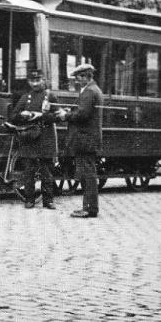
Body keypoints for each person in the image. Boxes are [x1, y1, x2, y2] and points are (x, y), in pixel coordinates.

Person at [56, 63, 103, 218]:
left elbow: (83, 114)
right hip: (88, 138)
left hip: (85, 139)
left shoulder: (89, 92)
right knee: (87, 173)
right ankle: (90, 207)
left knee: (87, 175)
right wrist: (72, 112)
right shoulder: (93, 90)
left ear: (86, 76)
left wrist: (66, 115)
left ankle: (89, 208)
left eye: (78, 77)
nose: (77, 80)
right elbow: (83, 111)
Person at [9, 68, 59, 210]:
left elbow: (58, 116)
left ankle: (48, 201)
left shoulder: (50, 96)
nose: (35, 83)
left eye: (38, 80)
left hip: (45, 137)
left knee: (46, 172)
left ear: (43, 80)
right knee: (28, 171)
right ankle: (29, 199)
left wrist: (41, 116)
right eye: (32, 81)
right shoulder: (26, 97)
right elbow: (13, 116)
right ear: (29, 82)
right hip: (30, 138)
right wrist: (23, 114)